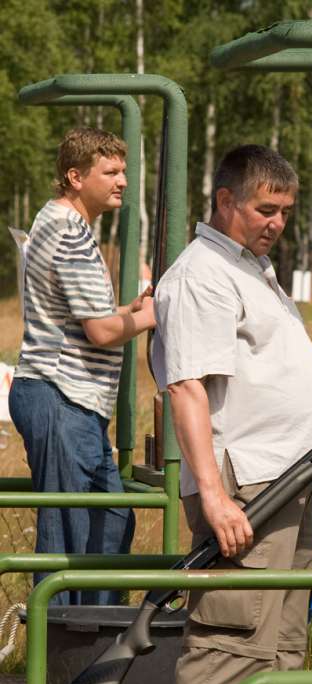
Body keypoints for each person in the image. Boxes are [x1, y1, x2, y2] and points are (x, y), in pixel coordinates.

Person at [153, 144, 312, 684]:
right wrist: (215, 497)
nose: (276, 223)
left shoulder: (248, 269)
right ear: (226, 200)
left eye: (285, 212)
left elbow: (260, 380)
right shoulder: (203, 274)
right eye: (265, 210)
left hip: (286, 479)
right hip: (248, 491)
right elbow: (186, 388)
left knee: (279, 652)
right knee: (229, 649)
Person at [9, 127, 156, 605]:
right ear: (76, 177)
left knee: (109, 519)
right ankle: (60, 644)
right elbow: (100, 332)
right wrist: (153, 315)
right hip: (59, 394)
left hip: (69, 397)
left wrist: (128, 312)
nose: (122, 181)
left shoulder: (63, 223)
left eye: (123, 171)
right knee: (68, 535)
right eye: (110, 172)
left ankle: (93, 634)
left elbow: (85, 318)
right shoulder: (69, 231)